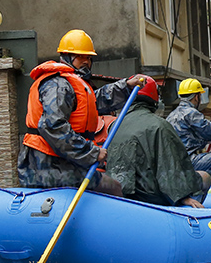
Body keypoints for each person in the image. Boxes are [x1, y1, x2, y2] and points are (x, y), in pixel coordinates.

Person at [17, 29, 139, 194]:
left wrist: (126, 87)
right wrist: (91, 152)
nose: (86, 62)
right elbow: (53, 126)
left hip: (62, 163)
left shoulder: (73, 84)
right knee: (113, 188)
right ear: (67, 56)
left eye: (88, 58)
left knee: (110, 185)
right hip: (46, 166)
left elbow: (94, 101)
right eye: (80, 57)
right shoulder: (58, 84)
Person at [105, 75, 208, 208]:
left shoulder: (114, 126)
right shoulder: (159, 125)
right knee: (205, 177)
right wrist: (182, 197)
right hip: (150, 195)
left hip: (121, 192)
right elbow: (171, 166)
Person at [167, 78, 211, 175]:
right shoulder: (191, 113)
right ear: (197, 97)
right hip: (188, 163)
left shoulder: (171, 115)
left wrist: (205, 141)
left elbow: (186, 140)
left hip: (173, 165)